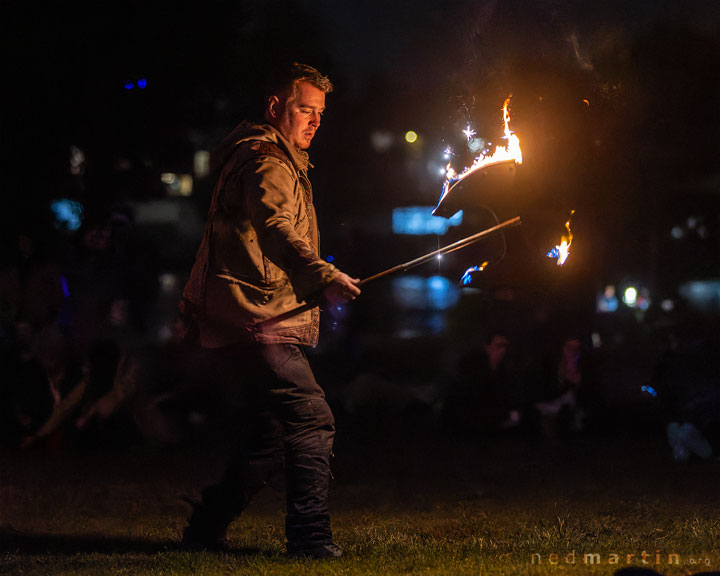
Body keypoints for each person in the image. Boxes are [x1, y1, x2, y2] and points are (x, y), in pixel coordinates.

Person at [179, 62, 361, 558]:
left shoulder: (277, 158)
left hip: (251, 317)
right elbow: (276, 226)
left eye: (320, 113)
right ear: (276, 107)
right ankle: (309, 537)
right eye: (305, 109)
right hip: (258, 320)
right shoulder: (268, 163)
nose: (315, 122)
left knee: (268, 436)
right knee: (310, 417)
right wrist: (322, 274)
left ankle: (204, 529)